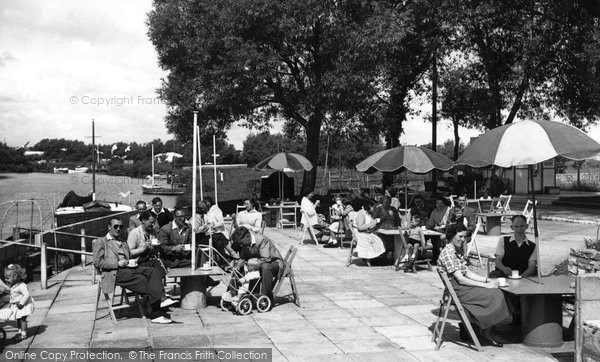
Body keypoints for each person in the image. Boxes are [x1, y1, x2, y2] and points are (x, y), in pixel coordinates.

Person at [438, 223, 511, 347]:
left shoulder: (456, 251)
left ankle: (485, 329)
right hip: (457, 290)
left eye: (464, 237)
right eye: (460, 237)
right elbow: (461, 280)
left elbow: (467, 273)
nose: (463, 240)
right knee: (495, 293)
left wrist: (487, 280)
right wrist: (485, 286)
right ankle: (487, 331)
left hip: (462, 287)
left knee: (496, 290)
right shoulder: (448, 253)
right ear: (451, 236)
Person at [93, 218, 177, 324]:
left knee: (153, 271)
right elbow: (97, 262)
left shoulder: (123, 241)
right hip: (114, 272)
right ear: (109, 227)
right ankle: (157, 313)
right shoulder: (101, 241)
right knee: (145, 281)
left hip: (129, 268)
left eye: (121, 227)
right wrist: (117, 263)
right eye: (115, 226)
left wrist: (139, 254)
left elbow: (129, 255)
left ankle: (162, 299)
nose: (118, 229)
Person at [230, 227, 284, 306]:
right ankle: (233, 294)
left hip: (274, 262)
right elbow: (243, 257)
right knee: (238, 268)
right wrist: (238, 265)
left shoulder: (261, 239)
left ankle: (266, 297)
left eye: (242, 243)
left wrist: (249, 263)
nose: (241, 245)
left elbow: (266, 259)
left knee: (265, 267)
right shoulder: (246, 243)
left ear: (248, 236)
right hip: (259, 262)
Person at [127, 211, 166, 278]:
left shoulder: (153, 232)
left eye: (154, 222)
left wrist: (157, 246)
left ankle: (158, 284)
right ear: (143, 220)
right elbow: (129, 253)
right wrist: (143, 249)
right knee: (157, 267)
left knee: (161, 264)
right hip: (138, 262)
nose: (153, 225)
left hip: (150, 259)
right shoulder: (135, 233)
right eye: (151, 222)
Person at [0, 264, 34, 341]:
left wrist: (22, 303)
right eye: (5, 278)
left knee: (22, 320)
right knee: (18, 319)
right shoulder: (14, 285)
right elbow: (13, 296)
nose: (6, 280)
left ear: (15, 277)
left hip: (24, 306)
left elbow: (27, 294)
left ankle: (23, 334)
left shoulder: (22, 285)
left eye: (8, 278)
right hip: (18, 306)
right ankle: (20, 332)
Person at [426, 196, 450, 265]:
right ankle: (436, 257)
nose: (439, 205)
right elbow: (430, 224)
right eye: (437, 203)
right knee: (433, 237)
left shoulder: (448, 210)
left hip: (447, 231)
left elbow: (450, 223)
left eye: (441, 203)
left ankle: (438, 257)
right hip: (437, 231)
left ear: (444, 204)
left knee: (437, 239)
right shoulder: (434, 212)